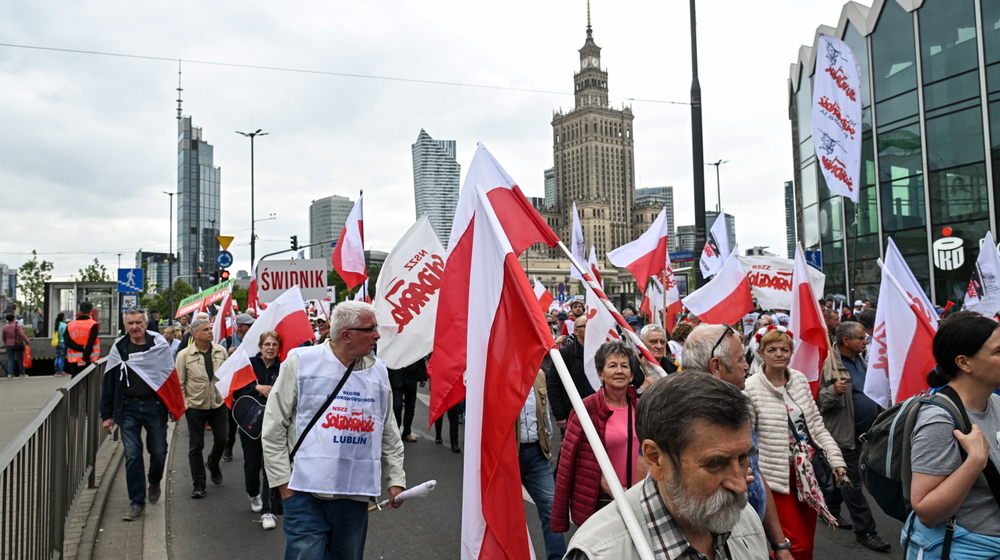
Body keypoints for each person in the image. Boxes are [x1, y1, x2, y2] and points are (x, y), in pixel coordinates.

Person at [564, 371, 769, 559]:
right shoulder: (600, 553)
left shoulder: (742, 517)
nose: (740, 485)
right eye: (715, 463)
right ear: (655, 458)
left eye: (743, 458)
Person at [262, 301, 405, 560]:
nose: (377, 334)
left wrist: (396, 478)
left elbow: (388, 430)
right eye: (370, 328)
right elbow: (273, 428)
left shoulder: (380, 372)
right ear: (346, 335)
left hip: (354, 495)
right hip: (304, 492)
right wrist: (284, 485)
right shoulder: (301, 362)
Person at [681, 324, 794, 559]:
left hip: (753, 542)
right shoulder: (677, 418)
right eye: (741, 358)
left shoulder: (739, 408)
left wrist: (779, 544)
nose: (746, 365)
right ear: (716, 366)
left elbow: (756, 475)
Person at [744, 326, 848, 559]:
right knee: (796, 546)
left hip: (807, 476)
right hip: (775, 479)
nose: (779, 354)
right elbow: (747, 441)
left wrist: (837, 462)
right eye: (772, 349)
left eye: (784, 349)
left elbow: (817, 427)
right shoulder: (750, 388)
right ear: (761, 353)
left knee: (807, 545)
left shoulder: (799, 380)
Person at [903, 315, 1000, 556]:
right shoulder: (939, 419)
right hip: (965, 548)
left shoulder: (996, 403)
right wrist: (975, 462)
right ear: (964, 363)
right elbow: (926, 511)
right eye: (998, 351)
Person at [552, 340, 643, 533]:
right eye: (612, 365)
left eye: (624, 366)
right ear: (600, 374)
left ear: (632, 374)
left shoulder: (642, 408)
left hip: (638, 499)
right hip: (602, 501)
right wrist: (559, 516)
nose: (619, 371)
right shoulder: (586, 409)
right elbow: (567, 464)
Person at [817, 321, 891, 552]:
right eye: (860, 338)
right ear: (845, 341)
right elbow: (813, 402)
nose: (865, 341)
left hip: (865, 435)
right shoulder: (827, 364)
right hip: (843, 436)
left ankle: (828, 507)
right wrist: (832, 391)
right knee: (853, 484)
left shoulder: (862, 361)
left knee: (846, 479)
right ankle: (866, 530)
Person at [100, 308, 172, 521]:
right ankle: (136, 501)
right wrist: (107, 414)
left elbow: (169, 376)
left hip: (154, 406)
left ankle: (154, 480)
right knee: (132, 454)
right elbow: (109, 382)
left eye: (138, 322)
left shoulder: (158, 346)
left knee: (158, 452)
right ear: (125, 325)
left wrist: (174, 407)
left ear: (146, 323)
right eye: (130, 323)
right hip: (128, 407)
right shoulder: (119, 348)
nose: (135, 327)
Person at [233, 330, 282, 530]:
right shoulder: (249, 365)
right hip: (250, 424)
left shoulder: (284, 366)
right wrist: (256, 388)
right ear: (260, 347)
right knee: (252, 464)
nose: (270, 348)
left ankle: (267, 510)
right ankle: (253, 493)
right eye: (267, 344)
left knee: (270, 466)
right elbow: (235, 390)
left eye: (274, 345)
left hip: (275, 425)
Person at [176, 319, 229, 499]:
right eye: (205, 330)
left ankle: (213, 463)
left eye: (210, 329)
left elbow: (227, 376)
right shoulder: (184, 355)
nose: (210, 332)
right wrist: (185, 405)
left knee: (222, 439)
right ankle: (199, 483)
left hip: (218, 403)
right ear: (195, 334)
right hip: (195, 405)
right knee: (196, 445)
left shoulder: (220, 352)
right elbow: (180, 382)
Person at [518, 368, 566, 560]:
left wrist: (547, 448)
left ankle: (557, 557)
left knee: (551, 507)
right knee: (508, 513)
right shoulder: (498, 373)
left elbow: (544, 413)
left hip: (537, 453)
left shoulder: (538, 375)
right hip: (509, 456)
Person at [547, 316, 593, 433]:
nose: (591, 329)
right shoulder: (566, 353)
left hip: (594, 412)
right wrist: (560, 414)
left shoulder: (599, 352)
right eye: (586, 326)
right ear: (576, 331)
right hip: (572, 413)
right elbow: (553, 385)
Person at [222, 313, 255, 462]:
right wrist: (228, 355)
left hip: (248, 387)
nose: (253, 327)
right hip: (232, 388)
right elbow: (219, 364)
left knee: (250, 418)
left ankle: (250, 450)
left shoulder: (255, 340)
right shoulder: (227, 341)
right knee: (230, 421)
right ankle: (228, 447)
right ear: (241, 327)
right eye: (249, 325)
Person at [388, 357, 427, 442]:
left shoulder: (413, 345)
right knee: (396, 407)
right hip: (396, 378)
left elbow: (419, 357)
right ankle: (396, 432)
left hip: (411, 378)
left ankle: (406, 433)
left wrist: (423, 377)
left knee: (410, 407)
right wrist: (388, 378)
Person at [634, 324, 679, 391]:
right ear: (641, 343)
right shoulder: (630, 369)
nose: (659, 346)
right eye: (653, 342)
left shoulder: (674, 368)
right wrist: (642, 389)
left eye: (662, 342)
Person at [65, 301, 101, 377]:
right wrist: (85, 359)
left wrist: (80, 348)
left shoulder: (70, 324)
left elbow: (67, 342)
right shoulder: (93, 324)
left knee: (75, 383)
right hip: (90, 359)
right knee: (89, 383)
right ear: (91, 311)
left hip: (74, 360)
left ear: (80, 311)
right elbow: (90, 343)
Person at [3, 313, 30, 378]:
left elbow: (3, 337)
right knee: (20, 359)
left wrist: (6, 342)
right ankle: (22, 373)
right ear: (13, 318)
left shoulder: (5, 327)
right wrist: (27, 341)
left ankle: (10, 373)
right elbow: (22, 334)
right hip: (17, 344)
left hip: (8, 345)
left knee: (10, 359)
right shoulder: (17, 326)